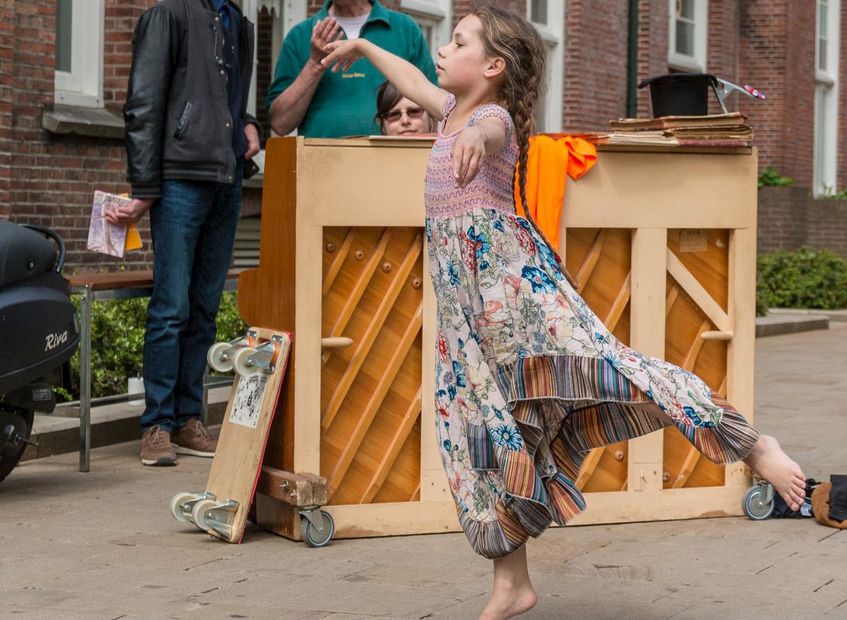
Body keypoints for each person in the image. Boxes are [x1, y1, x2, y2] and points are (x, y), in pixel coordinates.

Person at [321, 8, 807, 619]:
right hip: (468, 317)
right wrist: (364, 48)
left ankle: (751, 443)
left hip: (520, 299)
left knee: (613, 370)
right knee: (492, 434)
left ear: (493, 67)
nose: (442, 50)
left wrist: (475, 139)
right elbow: (414, 81)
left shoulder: (488, 117)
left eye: (459, 41)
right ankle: (512, 583)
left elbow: (491, 132)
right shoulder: (449, 113)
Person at [108, 0, 261, 466]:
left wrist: (248, 125)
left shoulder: (240, 22)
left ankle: (189, 418)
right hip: (179, 180)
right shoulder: (167, 15)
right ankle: (156, 423)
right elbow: (144, 104)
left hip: (227, 178)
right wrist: (145, 186)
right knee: (171, 306)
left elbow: (228, 98)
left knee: (204, 307)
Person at [266, 0, 437, 137]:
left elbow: (437, 107)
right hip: (322, 168)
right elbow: (280, 124)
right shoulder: (301, 35)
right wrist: (315, 64)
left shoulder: (405, 29)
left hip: (394, 162)